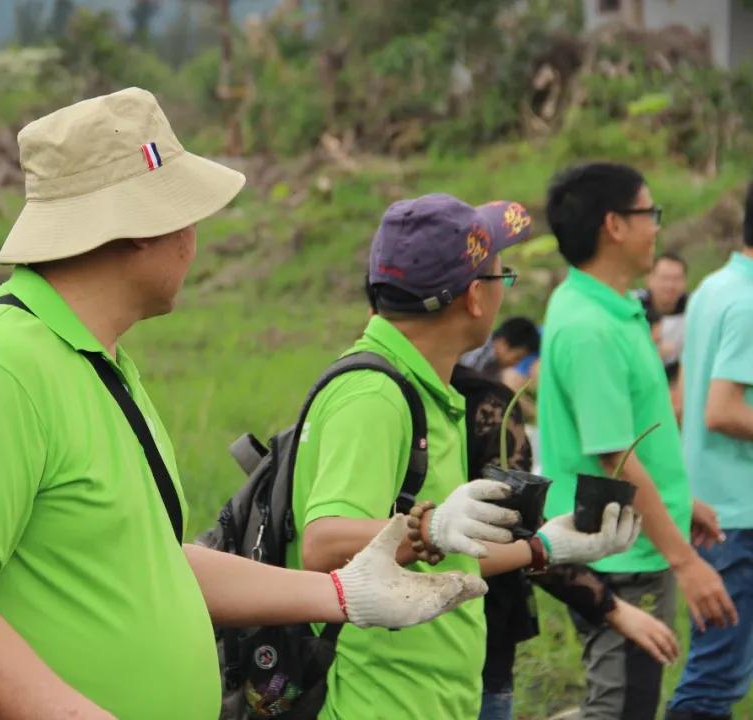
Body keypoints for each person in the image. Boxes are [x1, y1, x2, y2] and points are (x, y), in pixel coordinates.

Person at [0, 88, 505, 720]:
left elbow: (158, 563)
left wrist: (342, 594)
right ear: (135, 230)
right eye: (184, 216)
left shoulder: (100, 366)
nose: (192, 239)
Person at [285, 193, 640, 719]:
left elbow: (444, 544)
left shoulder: (429, 390)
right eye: (503, 275)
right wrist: (427, 528)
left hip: (427, 697)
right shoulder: (375, 395)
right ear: (475, 297)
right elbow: (324, 544)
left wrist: (546, 546)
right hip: (379, 702)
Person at [539, 162, 738, 720]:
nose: (657, 225)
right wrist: (687, 563)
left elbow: (632, 440)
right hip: (620, 552)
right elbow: (617, 460)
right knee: (621, 707)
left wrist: (678, 504)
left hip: (636, 534)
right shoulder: (591, 328)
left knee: (628, 701)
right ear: (614, 225)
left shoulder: (611, 307)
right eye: (649, 212)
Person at [452, 363, 678, 720]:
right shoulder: (482, 402)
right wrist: (610, 605)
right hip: (471, 650)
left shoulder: (370, 383)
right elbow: (516, 533)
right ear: (475, 303)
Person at [664, 181, 753, 720]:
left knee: (718, 670)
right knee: (714, 681)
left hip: (713, 504)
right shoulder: (747, 302)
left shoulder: (715, 286)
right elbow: (720, 409)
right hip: (738, 516)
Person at [634, 251, 688, 376]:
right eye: (664, 278)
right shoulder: (633, 306)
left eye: (676, 279)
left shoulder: (693, 308)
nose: (670, 285)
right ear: (649, 279)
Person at [460, 315, 540, 384]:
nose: (516, 364)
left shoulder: (495, 365)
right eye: (517, 358)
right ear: (503, 343)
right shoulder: (478, 350)